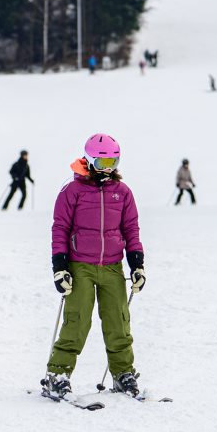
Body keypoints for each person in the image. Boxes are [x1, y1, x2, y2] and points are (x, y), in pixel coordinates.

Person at [41, 133, 145, 399]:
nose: (109, 168)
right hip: (80, 267)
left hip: (112, 267)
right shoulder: (72, 190)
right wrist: (60, 267)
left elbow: (131, 229)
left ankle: (123, 374)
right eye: (103, 162)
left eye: (114, 161)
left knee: (118, 323)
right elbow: (60, 228)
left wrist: (137, 264)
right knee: (77, 322)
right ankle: (58, 374)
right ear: (89, 160)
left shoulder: (122, 192)